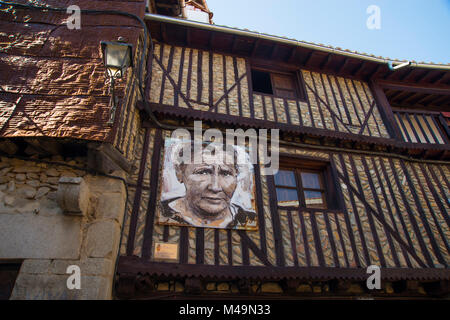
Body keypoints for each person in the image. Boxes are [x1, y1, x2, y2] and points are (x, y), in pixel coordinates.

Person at [160, 142, 257, 229]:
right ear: (180, 173)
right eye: (203, 172)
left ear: (236, 176)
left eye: (226, 173)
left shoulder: (248, 219)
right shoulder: (163, 212)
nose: (215, 187)